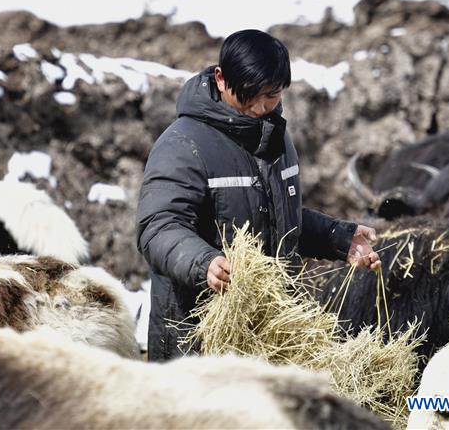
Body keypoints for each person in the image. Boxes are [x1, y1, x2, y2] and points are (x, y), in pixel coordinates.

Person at [136, 29, 381, 362]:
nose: (260, 106)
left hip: (268, 338)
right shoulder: (182, 145)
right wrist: (203, 262)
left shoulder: (275, 138)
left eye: (272, 95)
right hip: (197, 344)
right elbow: (157, 227)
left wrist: (338, 237)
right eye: (249, 95)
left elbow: (278, 218)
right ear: (221, 79)